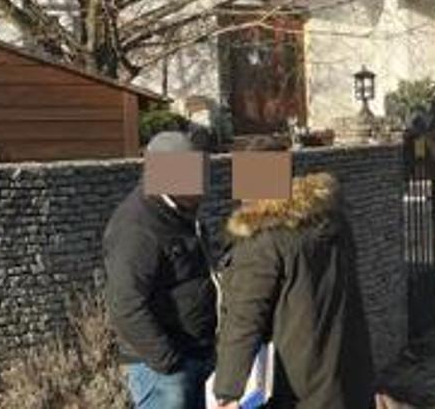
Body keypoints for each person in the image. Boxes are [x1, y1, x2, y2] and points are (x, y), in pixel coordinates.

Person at [212, 165, 377, 409]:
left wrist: (227, 392)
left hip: (300, 387)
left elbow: (244, 320)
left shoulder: (263, 242)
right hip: (351, 378)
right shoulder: (332, 223)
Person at [104, 131, 218, 409]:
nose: (201, 188)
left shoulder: (182, 212)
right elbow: (125, 305)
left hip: (197, 354)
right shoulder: (136, 227)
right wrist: (168, 362)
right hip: (164, 371)